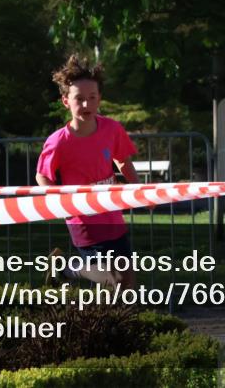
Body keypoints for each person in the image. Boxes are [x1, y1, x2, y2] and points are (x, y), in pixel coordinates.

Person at [36, 55, 139, 289]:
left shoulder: (112, 129)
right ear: (66, 101)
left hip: (112, 216)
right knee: (115, 279)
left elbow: (123, 161)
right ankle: (67, 267)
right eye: (79, 99)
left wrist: (141, 192)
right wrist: (58, 202)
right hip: (83, 220)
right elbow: (42, 175)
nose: (86, 105)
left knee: (128, 285)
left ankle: (116, 323)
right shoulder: (58, 142)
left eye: (92, 98)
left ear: (99, 99)